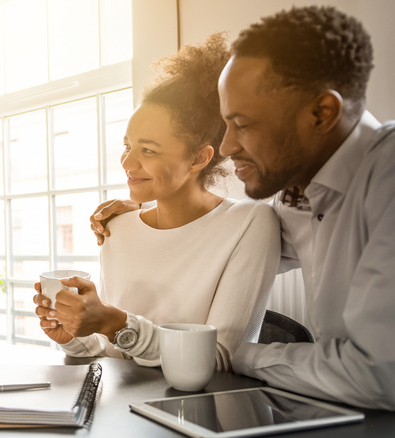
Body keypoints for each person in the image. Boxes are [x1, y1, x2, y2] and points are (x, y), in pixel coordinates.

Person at [92, 6, 395, 411]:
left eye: (244, 124)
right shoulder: (296, 200)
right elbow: (218, 234)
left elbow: (378, 376)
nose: (228, 146)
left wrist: (236, 354)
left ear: (322, 113)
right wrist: (149, 210)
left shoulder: (386, 182)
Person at [33, 34, 281, 371]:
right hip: (121, 412)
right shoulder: (116, 227)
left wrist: (115, 324)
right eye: (127, 146)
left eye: (148, 150)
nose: (127, 163)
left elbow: (220, 358)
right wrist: (74, 334)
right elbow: (111, 350)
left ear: (198, 158)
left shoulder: (250, 223)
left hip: (199, 413)